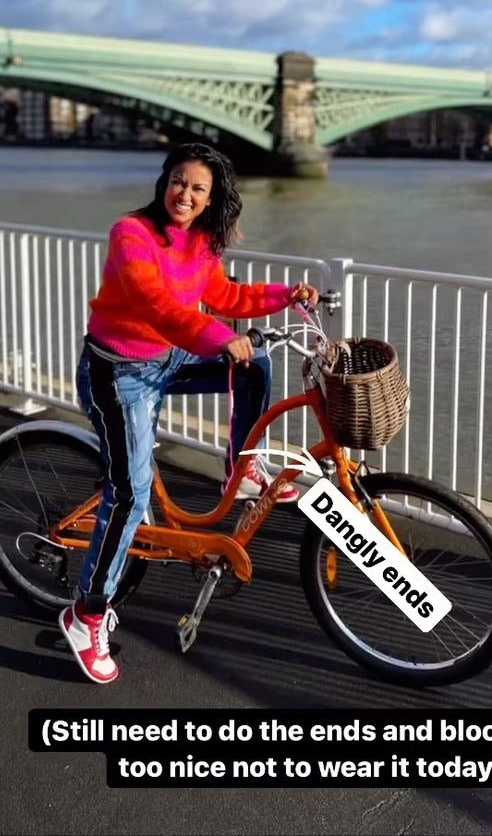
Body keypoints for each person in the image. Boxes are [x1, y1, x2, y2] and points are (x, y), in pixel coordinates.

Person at [59, 141, 319, 684]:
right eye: (179, 181)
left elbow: (224, 294)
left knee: (255, 365)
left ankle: (241, 467)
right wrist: (220, 338)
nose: (186, 194)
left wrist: (285, 295)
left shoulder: (201, 241)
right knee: (128, 494)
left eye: (198, 188)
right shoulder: (131, 233)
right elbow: (156, 304)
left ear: (210, 199)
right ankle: (86, 614)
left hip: (166, 355)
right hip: (118, 372)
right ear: (164, 182)